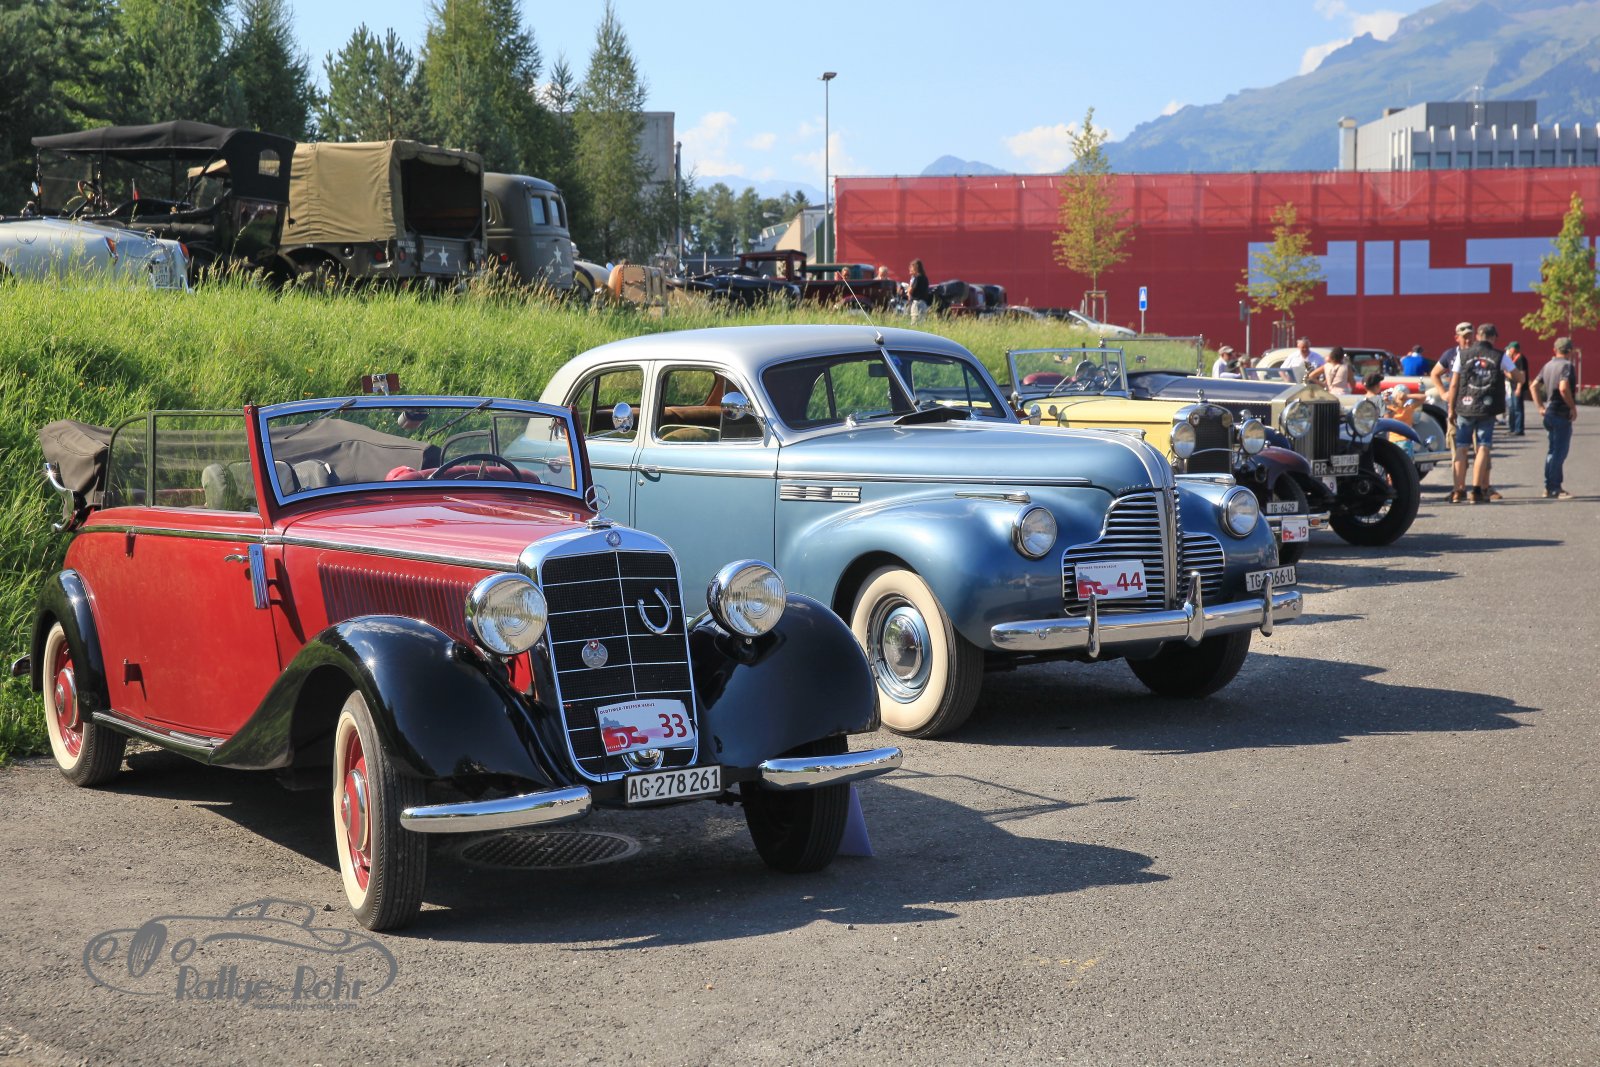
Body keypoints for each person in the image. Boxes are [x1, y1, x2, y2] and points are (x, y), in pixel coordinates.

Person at [1441, 323, 1521, 504]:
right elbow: (1519, 377)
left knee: (1461, 447)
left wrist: (1451, 409)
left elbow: (1453, 384)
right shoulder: (1500, 355)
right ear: (1493, 338)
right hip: (1487, 408)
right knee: (1483, 447)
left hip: (1464, 407)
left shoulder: (1462, 355)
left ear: (1477, 336)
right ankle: (1477, 490)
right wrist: (1508, 371)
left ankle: (1458, 491)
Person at [1531, 336, 1579, 499]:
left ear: (1554, 350)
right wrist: (1572, 407)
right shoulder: (1567, 366)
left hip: (1549, 413)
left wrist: (1540, 407)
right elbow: (1563, 388)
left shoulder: (1548, 365)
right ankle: (1555, 488)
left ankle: (1548, 486)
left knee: (1552, 451)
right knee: (1559, 452)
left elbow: (1534, 386)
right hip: (1560, 413)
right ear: (1570, 351)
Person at [1505, 340, 1530, 435]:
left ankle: (1519, 429)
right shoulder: (1513, 359)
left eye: (1509, 349)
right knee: (1512, 408)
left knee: (1517, 409)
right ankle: (1512, 428)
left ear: (1513, 349)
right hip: (1512, 386)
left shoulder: (1520, 359)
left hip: (1517, 387)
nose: (1508, 351)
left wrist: (1519, 388)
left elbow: (1521, 375)